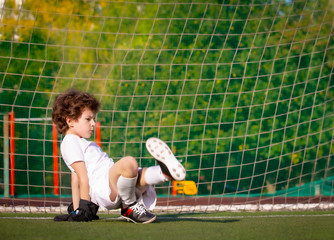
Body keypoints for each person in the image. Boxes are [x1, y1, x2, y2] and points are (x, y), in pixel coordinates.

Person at [52, 89, 186, 224]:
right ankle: (129, 206)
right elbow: (81, 176)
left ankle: (164, 173)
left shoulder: (80, 142)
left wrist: (76, 209)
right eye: (88, 119)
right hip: (103, 186)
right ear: (70, 121)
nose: (93, 123)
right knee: (129, 163)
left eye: (93, 119)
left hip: (111, 182)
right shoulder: (70, 141)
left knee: (140, 178)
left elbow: (74, 178)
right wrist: (83, 207)